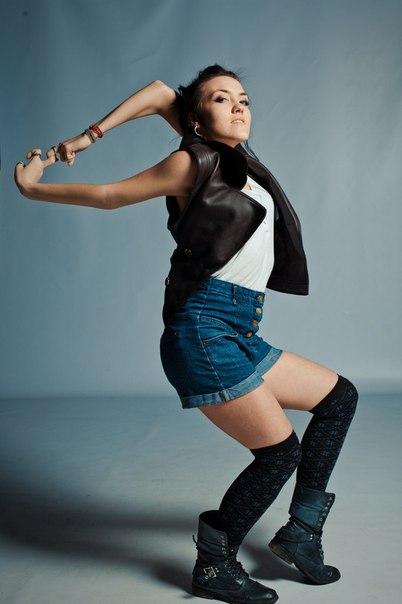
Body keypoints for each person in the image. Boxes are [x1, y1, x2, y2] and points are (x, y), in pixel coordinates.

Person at [15, 65, 358, 604]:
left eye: (243, 98)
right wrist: (35, 188)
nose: (239, 106)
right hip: (204, 329)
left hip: (239, 327)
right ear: (196, 119)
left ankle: (301, 532)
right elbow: (109, 195)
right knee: (279, 454)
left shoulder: (238, 160)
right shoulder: (193, 161)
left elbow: (159, 94)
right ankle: (214, 564)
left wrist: (85, 137)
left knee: (339, 399)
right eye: (221, 99)